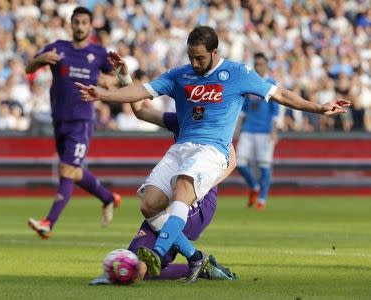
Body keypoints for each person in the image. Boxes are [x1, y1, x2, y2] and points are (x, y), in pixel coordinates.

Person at [76, 26, 350, 283]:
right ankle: (196, 259)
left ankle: (159, 253)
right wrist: (105, 92)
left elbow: (280, 94)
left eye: (200, 58)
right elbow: (143, 98)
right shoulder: (179, 82)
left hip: (209, 159)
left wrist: (317, 108)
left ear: (214, 52)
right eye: (191, 58)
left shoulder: (237, 74)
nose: (194, 64)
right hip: (181, 151)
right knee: (149, 204)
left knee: (181, 190)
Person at [90, 97, 238, 285]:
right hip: (169, 200)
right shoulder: (179, 119)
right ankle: (200, 264)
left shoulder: (215, 122)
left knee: (139, 266)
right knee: (138, 265)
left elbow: (231, 163)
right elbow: (140, 110)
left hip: (199, 202)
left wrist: (196, 191)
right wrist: (125, 79)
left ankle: (196, 260)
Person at [25, 7, 121, 239]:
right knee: (73, 172)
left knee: (66, 170)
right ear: (71, 24)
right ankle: (109, 198)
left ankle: (48, 223)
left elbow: (117, 81)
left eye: (84, 23)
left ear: (90, 26)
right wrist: (40, 60)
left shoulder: (99, 53)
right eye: (76, 22)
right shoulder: (57, 47)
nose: (79, 27)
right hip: (59, 119)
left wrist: (107, 82)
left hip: (82, 120)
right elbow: (29, 69)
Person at [235, 52, 279, 211]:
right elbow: (244, 109)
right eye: (256, 64)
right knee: (238, 162)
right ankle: (254, 186)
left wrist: (274, 130)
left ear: (266, 65)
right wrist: (238, 128)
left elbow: (275, 110)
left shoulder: (271, 83)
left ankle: (262, 199)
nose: (258, 66)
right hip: (248, 130)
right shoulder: (250, 83)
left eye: (261, 64)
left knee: (264, 165)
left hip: (265, 131)